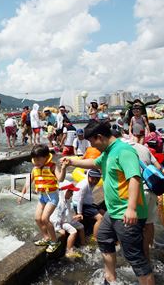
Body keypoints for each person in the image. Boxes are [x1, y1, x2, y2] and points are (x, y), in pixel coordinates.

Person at [60, 121, 154, 285]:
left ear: (99, 137)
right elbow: (93, 163)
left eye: (91, 142)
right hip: (114, 212)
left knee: (135, 257)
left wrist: (131, 209)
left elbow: (134, 178)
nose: (92, 146)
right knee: (103, 237)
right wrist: (71, 162)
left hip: (127, 212)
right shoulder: (109, 152)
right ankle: (110, 279)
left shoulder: (123, 151)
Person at [18, 145, 65, 254]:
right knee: (37, 219)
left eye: (39, 159)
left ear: (46, 157)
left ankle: (54, 241)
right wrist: (22, 195)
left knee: (45, 219)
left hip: (52, 196)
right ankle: (46, 237)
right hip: (42, 196)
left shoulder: (52, 167)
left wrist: (63, 168)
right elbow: (28, 182)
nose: (36, 161)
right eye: (34, 159)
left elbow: (61, 179)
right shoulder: (35, 169)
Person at [50, 182, 85, 258]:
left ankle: (83, 245)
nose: (72, 194)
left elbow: (69, 212)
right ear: (64, 191)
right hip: (61, 223)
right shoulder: (59, 202)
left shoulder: (67, 200)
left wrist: (75, 217)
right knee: (73, 231)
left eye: (72, 192)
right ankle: (69, 251)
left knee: (81, 226)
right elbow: (55, 216)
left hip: (67, 220)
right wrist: (58, 228)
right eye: (70, 192)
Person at [72, 169, 104, 238]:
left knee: (103, 212)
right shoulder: (84, 185)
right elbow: (79, 200)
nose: (95, 181)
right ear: (88, 176)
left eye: (97, 179)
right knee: (100, 218)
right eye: (92, 178)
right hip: (80, 205)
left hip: (87, 203)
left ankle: (104, 231)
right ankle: (94, 239)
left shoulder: (91, 183)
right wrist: (79, 213)